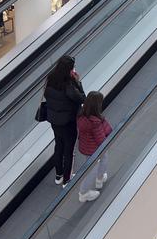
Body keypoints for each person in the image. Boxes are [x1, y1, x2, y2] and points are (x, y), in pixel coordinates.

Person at [43, 54, 85, 187]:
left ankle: (58, 175)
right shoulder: (69, 85)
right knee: (69, 150)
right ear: (69, 69)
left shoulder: (50, 78)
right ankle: (67, 180)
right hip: (68, 122)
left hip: (54, 120)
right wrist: (78, 81)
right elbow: (82, 98)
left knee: (58, 146)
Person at [74, 91, 111, 203]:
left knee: (97, 163)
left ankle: (99, 179)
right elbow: (101, 140)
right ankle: (84, 193)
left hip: (86, 147)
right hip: (94, 149)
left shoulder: (82, 115)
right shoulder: (95, 122)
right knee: (95, 168)